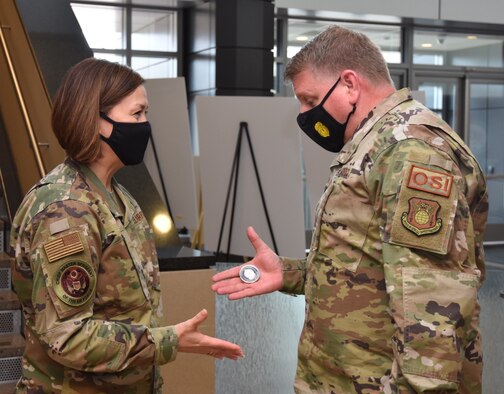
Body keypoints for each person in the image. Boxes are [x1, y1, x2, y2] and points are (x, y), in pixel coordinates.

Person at [212, 25, 488, 393]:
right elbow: (366, 260)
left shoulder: (411, 151)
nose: (305, 114)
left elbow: (431, 304)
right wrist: (290, 272)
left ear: (349, 84)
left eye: (310, 100)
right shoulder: (376, 141)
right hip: (341, 376)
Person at [10, 58, 243, 393]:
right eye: (136, 114)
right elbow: (67, 335)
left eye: (145, 114)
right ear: (95, 121)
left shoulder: (116, 195)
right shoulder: (65, 210)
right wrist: (169, 341)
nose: (145, 125)